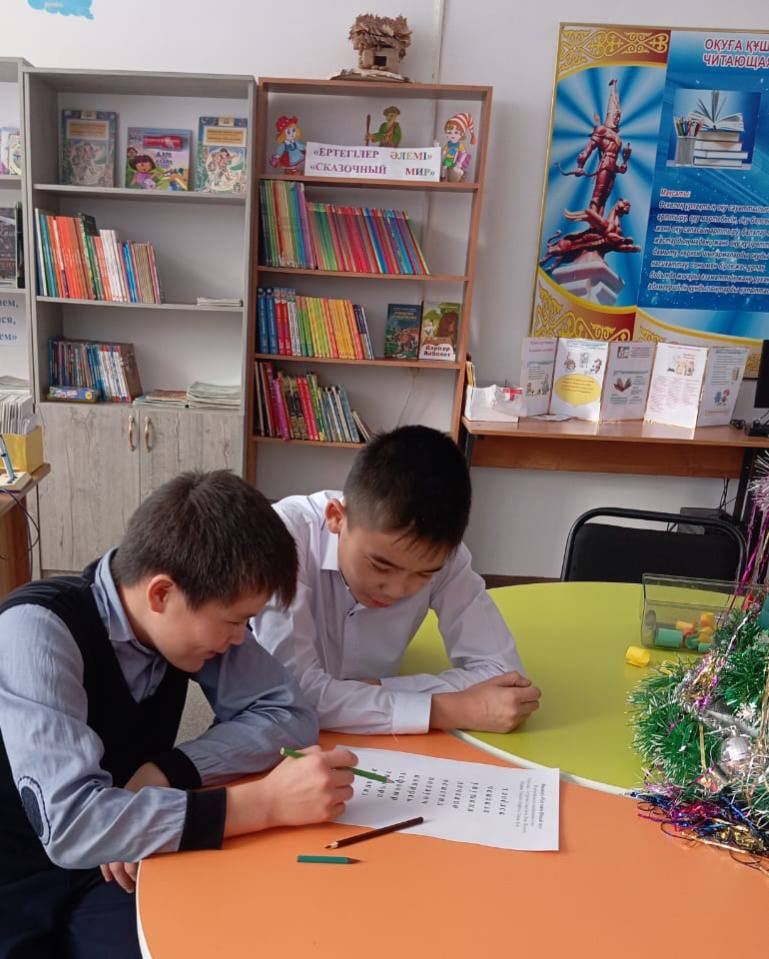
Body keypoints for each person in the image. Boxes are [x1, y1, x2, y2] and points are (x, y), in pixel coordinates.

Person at [0, 470, 357, 959]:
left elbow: (289, 714)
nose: (241, 639)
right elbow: (74, 824)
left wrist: (168, 770)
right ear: (161, 594)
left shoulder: (186, 623)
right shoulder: (35, 630)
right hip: (17, 872)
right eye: (234, 621)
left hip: (116, 863)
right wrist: (262, 804)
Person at [252, 426, 541, 735]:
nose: (398, 590)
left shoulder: (443, 557)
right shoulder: (282, 539)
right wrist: (450, 709)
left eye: (424, 575)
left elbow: (502, 674)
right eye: (381, 565)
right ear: (337, 517)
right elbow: (294, 694)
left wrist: (379, 689)